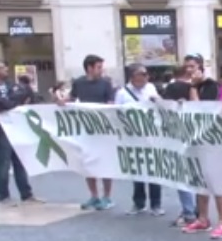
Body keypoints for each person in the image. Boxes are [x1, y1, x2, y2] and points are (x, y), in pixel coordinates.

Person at [56, 54, 115, 211]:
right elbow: (71, 97)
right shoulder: (79, 83)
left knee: (105, 163)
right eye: (98, 67)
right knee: (87, 163)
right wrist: (63, 101)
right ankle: (94, 196)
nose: (101, 70)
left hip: (103, 129)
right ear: (89, 68)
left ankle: (107, 196)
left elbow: (110, 103)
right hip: (85, 129)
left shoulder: (106, 83)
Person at [181, 54, 222, 239]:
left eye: (192, 66)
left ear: (201, 68)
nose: (189, 70)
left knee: (216, 182)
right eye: (186, 67)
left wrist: (193, 87)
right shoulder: (186, 86)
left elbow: (198, 110)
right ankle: (202, 218)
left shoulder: (211, 86)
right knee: (200, 181)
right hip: (196, 141)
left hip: (213, 140)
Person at [0, 61, 41, 206]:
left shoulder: (10, 84)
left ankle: (26, 194)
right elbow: (0, 103)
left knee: (19, 161)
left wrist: (12, 101)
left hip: (15, 126)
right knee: (4, 161)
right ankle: (4, 196)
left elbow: (27, 95)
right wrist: (14, 101)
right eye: (2, 68)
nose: (6, 69)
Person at [114, 63, 164, 216]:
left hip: (151, 136)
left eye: (145, 75)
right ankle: (139, 202)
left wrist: (157, 100)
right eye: (141, 74)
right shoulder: (122, 93)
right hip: (133, 137)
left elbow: (161, 106)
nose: (144, 78)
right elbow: (116, 113)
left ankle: (156, 204)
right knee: (137, 172)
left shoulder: (150, 89)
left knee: (155, 171)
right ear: (132, 76)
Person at [163, 66, 198, 226]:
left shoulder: (170, 88)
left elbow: (164, 107)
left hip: (175, 135)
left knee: (181, 174)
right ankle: (194, 211)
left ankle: (189, 211)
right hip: (194, 134)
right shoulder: (194, 87)